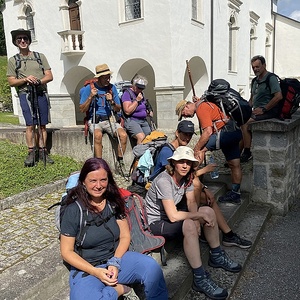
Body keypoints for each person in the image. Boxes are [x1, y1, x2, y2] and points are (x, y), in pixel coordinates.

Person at [60, 157, 168, 300]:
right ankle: (118, 290)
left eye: (103, 180)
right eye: (93, 180)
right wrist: (96, 272)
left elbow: (124, 236)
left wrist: (115, 262)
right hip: (88, 267)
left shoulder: (113, 202)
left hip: (116, 260)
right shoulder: (74, 209)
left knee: (151, 268)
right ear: (83, 182)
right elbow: (66, 252)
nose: (98, 185)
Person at [145, 146, 241, 300]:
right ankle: (199, 277)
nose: (184, 165)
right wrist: (196, 218)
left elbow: (191, 202)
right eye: (181, 162)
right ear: (173, 163)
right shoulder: (164, 180)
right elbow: (173, 216)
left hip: (171, 217)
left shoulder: (187, 178)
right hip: (156, 221)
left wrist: (198, 218)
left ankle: (216, 255)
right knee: (190, 222)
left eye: (188, 163)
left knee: (208, 212)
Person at [150, 120, 252, 249]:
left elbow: (186, 177)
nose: (187, 138)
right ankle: (208, 227)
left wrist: (206, 187)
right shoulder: (167, 152)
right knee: (197, 187)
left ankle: (228, 234)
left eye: (190, 135)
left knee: (209, 198)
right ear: (177, 133)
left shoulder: (182, 150)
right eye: (184, 134)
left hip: (178, 191)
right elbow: (173, 176)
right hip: (166, 195)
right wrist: (204, 170)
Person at [175, 97, 243, 205]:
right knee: (234, 164)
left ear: (187, 106)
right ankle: (236, 193)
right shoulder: (204, 103)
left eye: (183, 113)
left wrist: (197, 148)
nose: (185, 116)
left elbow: (207, 132)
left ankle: (190, 179)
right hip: (233, 130)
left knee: (199, 151)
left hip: (223, 133)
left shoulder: (201, 108)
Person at [7, 28, 54, 167]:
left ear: (29, 41)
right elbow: (11, 81)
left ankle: (43, 150)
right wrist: (26, 80)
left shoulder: (40, 57)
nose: (23, 41)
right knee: (30, 125)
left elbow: (49, 75)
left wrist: (39, 81)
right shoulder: (13, 60)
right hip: (25, 94)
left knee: (43, 125)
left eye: (25, 39)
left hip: (40, 93)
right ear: (16, 42)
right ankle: (31, 152)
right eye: (19, 39)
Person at [79, 64, 127, 173]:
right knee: (97, 135)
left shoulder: (111, 88)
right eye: (105, 77)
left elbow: (118, 109)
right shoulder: (88, 89)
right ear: (98, 78)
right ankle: (99, 164)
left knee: (123, 135)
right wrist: (90, 97)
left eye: (108, 77)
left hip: (110, 118)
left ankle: (120, 162)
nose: (107, 79)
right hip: (95, 119)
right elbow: (81, 109)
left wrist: (112, 101)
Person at [240, 55, 283, 162]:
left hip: (269, 111)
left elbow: (278, 96)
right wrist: (243, 109)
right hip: (257, 110)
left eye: (257, 67)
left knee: (245, 123)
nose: (255, 69)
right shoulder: (255, 81)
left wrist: (264, 109)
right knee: (239, 122)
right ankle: (235, 156)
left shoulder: (271, 78)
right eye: (253, 67)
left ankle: (247, 152)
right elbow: (252, 99)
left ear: (264, 65)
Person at [121, 74, 153, 144]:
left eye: (142, 88)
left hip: (143, 120)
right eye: (139, 88)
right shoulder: (127, 93)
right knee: (141, 137)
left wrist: (148, 112)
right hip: (132, 120)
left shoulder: (141, 94)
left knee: (149, 137)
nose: (140, 90)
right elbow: (127, 111)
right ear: (134, 85)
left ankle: (147, 153)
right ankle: (139, 154)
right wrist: (137, 100)